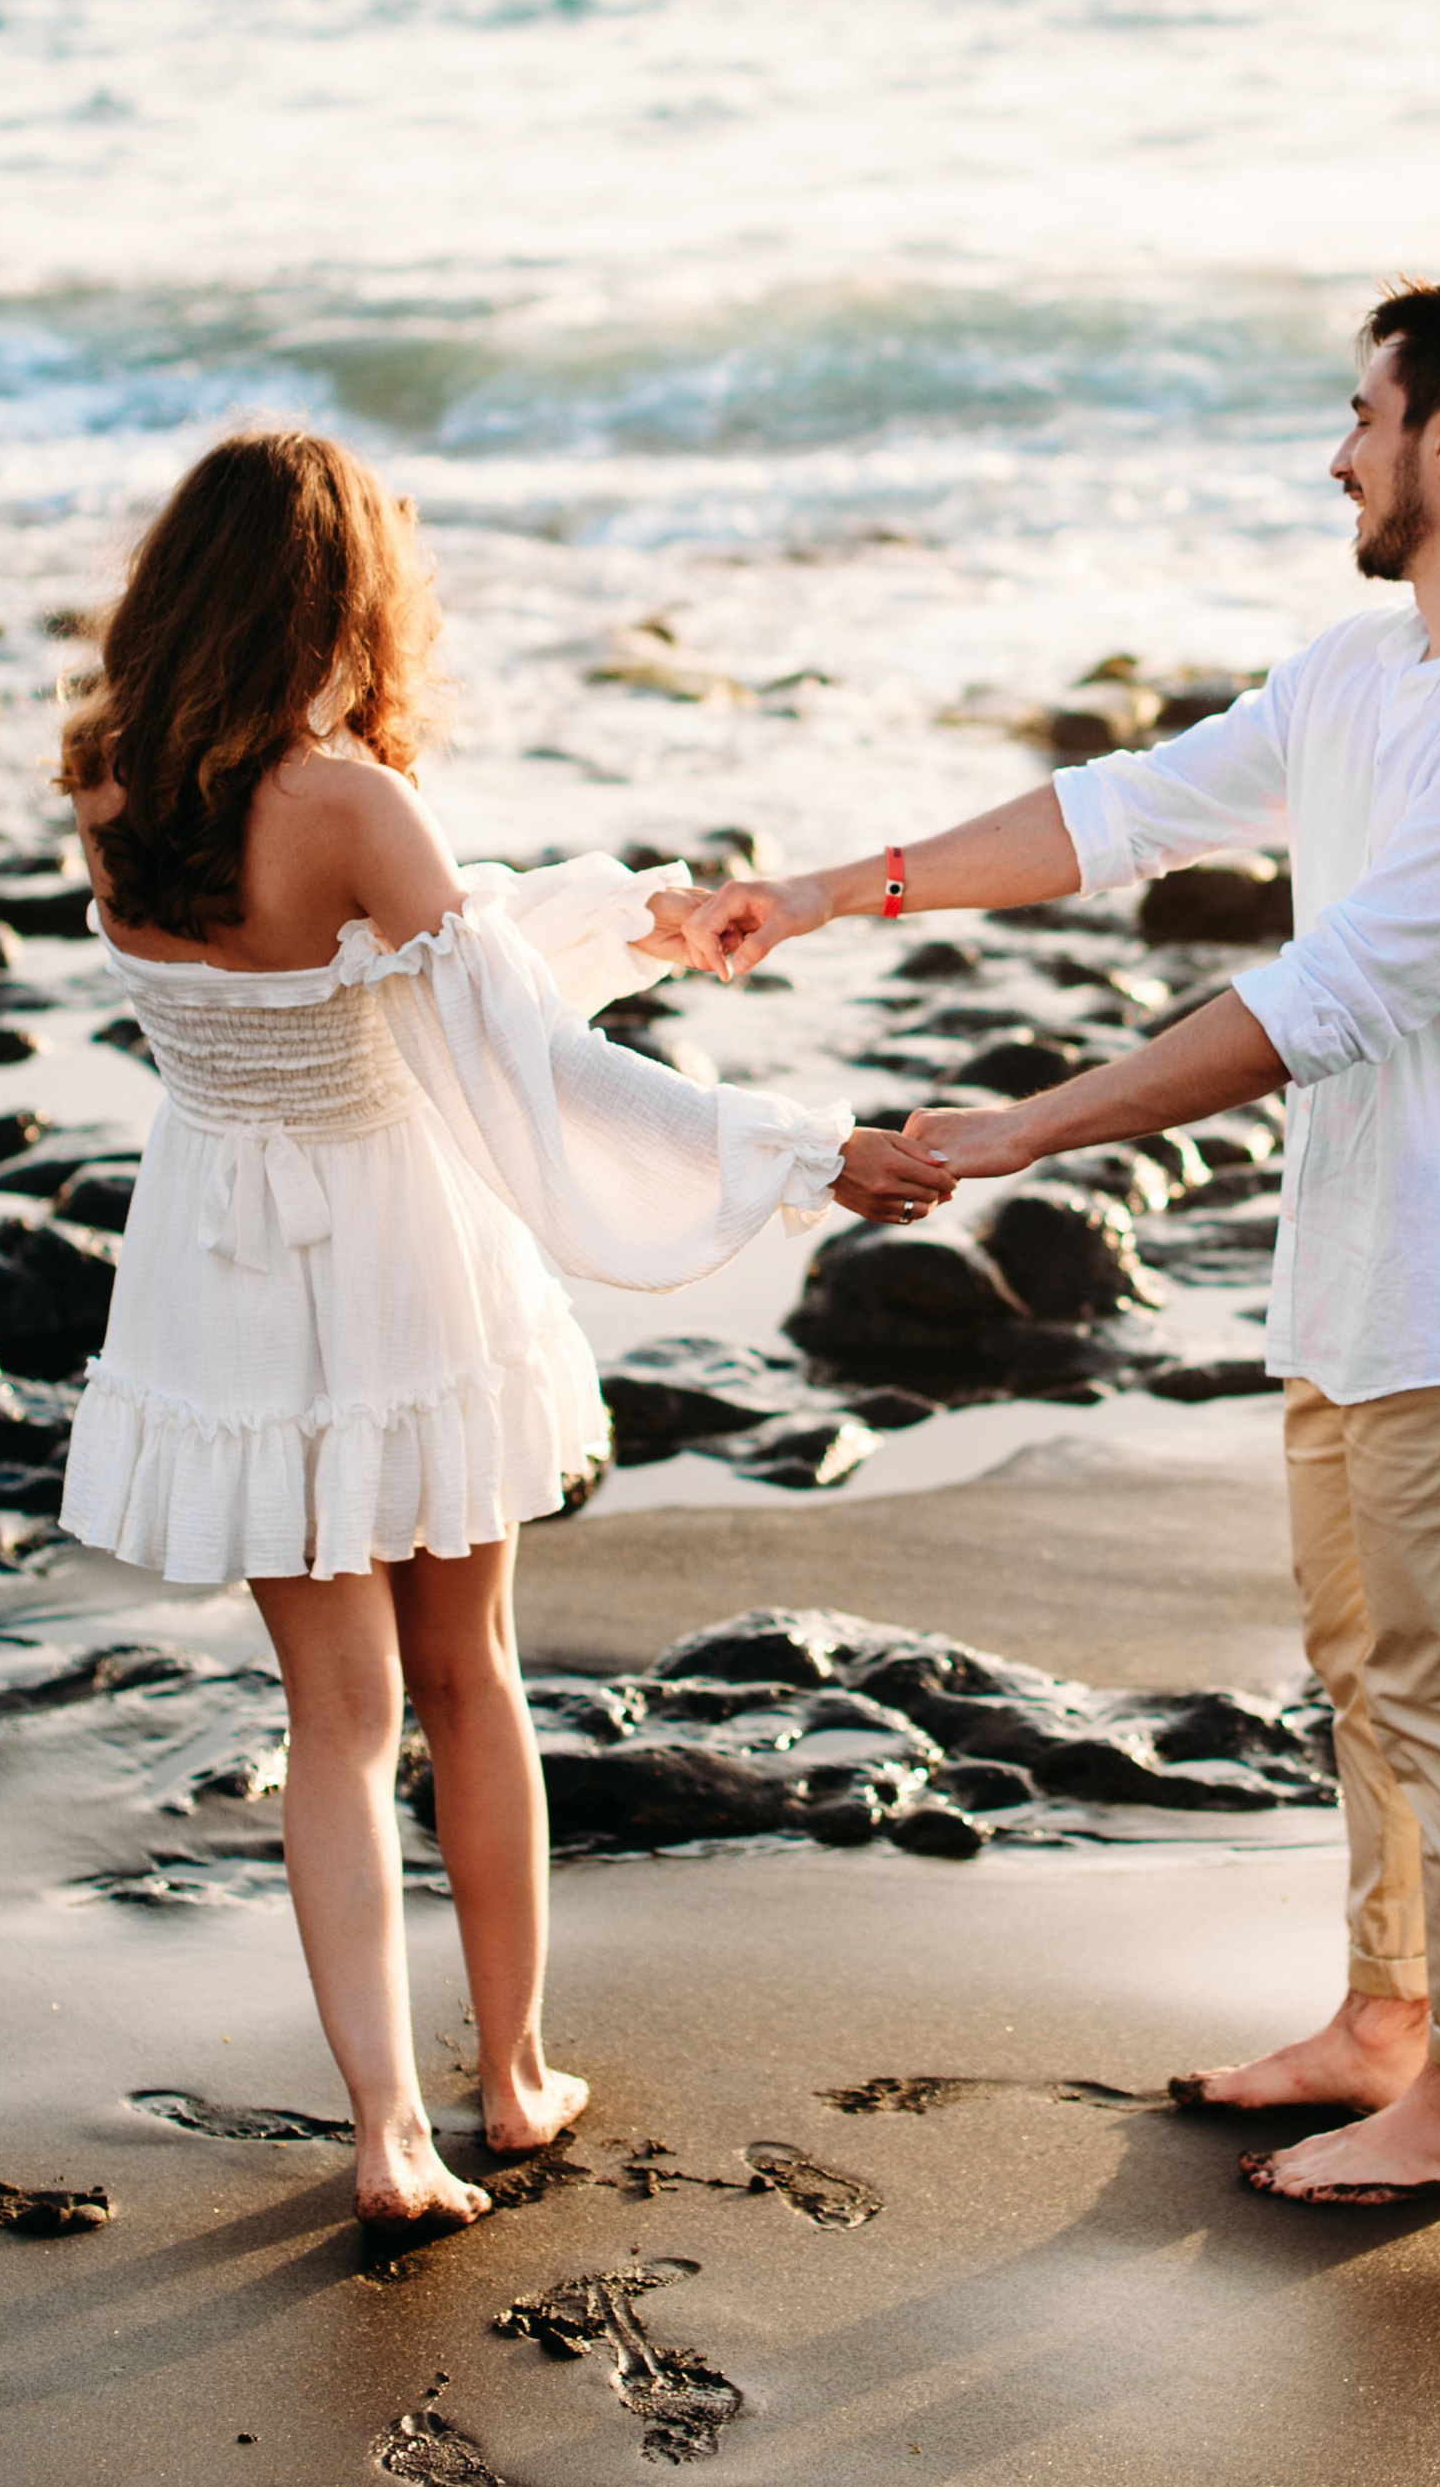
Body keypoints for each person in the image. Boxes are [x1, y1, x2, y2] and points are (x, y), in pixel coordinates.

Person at [674, 279, 1440, 2209]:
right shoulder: (1372, 672)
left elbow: (1322, 1001)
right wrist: (821, 895)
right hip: (1357, 1281)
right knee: (1370, 1674)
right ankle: (1386, 2024)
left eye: (1366, 413)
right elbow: (1118, 814)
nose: (1340, 451)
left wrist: (1029, 1130)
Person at [53, 429, 952, 2231]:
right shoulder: (352, 806)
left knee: (332, 1715)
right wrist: (794, 1151)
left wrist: (644, 911)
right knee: (466, 1676)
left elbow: (440, 975)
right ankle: (515, 2077)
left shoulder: (113, 788)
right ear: (343, 595)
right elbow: (521, 1053)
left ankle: (384, 2131)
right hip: (393, 1251)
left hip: (220, 1259)